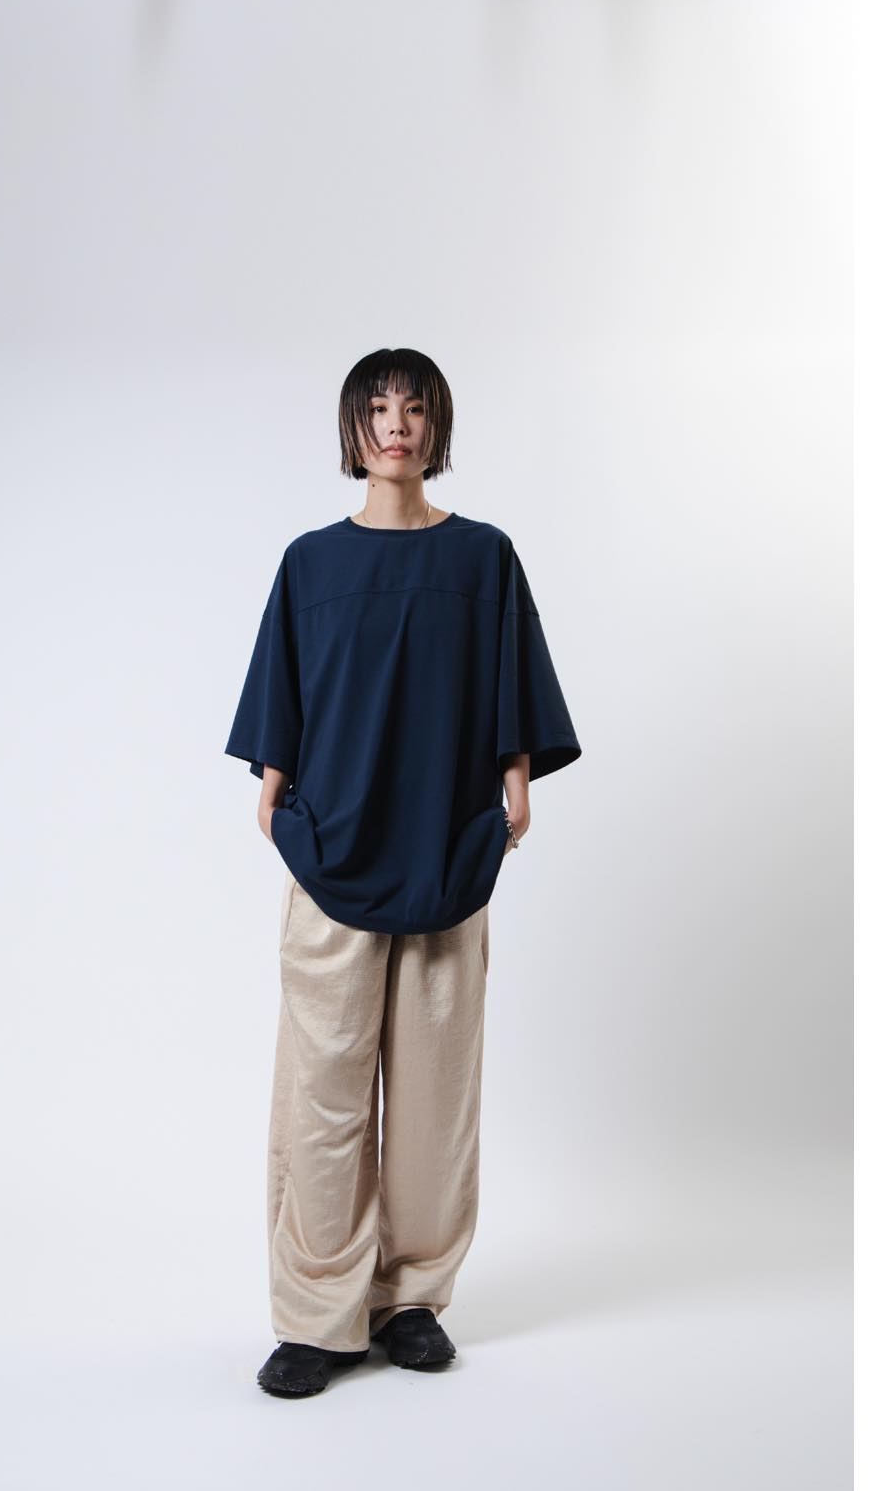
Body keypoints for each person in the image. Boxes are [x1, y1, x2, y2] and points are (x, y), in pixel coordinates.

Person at [224, 347, 582, 1396]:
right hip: (333, 847)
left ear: (437, 428)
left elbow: (511, 680)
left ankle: (412, 1298)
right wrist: (274, 796)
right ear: (352, 429)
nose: (396, 424)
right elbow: (283, 693)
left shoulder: (483, 558)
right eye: (378, 407)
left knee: (433, 1095)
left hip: (445, 848)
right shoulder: (310, 563)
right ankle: (317, 1315)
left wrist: (515, 785)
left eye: (415, 408)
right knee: (321, 1095)